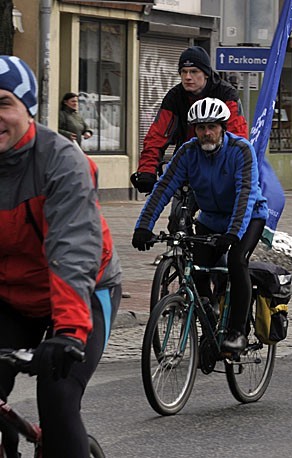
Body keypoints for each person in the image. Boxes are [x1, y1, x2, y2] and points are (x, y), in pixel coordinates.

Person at [0, 55, 122, 458]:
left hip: (80, 293)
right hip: (10, 296)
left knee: (57, 397)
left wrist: (69, 330)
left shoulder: (61, 162)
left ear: (28, 110)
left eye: (3, 103)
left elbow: (72, 251)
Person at [132, 97, 268, 352]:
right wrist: (143, 226)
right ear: (194, 130)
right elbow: (163, 188)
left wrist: (233, 233)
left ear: (222, 127)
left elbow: (246, 194)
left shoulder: (241, 150)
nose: (206, 133)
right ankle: (210, 314)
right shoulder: (188, 152)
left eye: (212, 127)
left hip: (249, 218)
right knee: (197, 267)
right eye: (200, 127)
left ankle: (238, 331)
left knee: (237, 261)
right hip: (210, 218)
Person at [131, 46, 248, 193]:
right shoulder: (174, 97)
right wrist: (147, 170)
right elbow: (157, 136)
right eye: (183, 72)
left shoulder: (226, 94)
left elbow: (237, 135)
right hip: (188, 160)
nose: (187, 77)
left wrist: (236, 168)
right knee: (177, 212)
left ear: (206, 74)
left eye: (194, 71)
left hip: (221, 163)